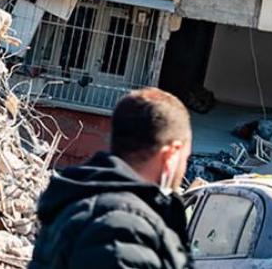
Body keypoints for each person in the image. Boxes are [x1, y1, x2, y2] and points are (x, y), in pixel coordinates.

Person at [29, 88, 193, 269]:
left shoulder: (81, 202)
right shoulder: (123, 228)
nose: (183, 170)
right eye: (185, 159)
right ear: (172, 154)